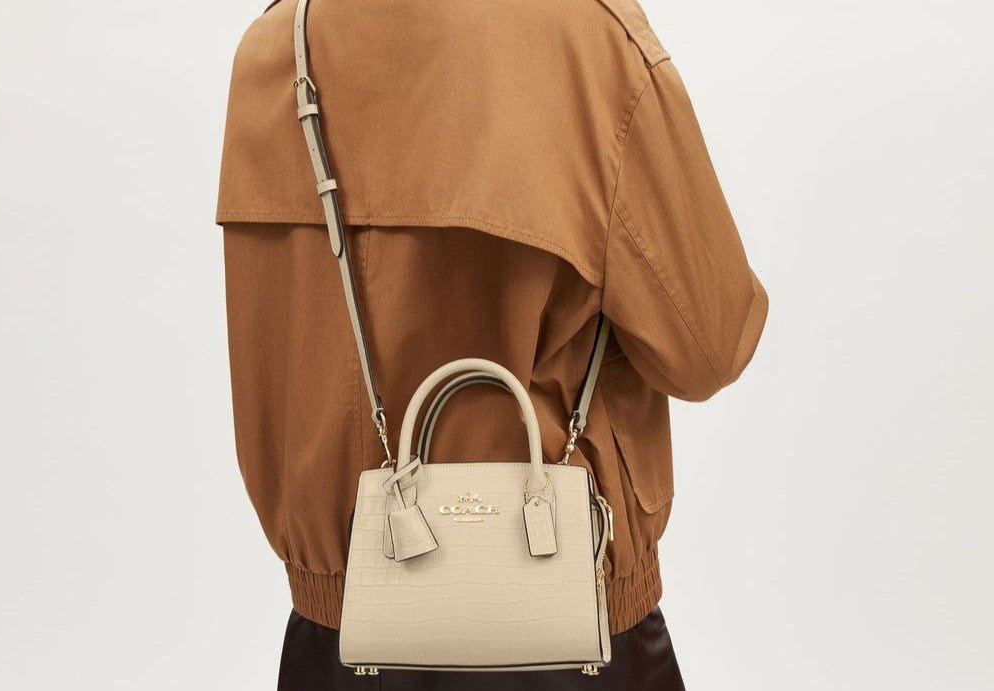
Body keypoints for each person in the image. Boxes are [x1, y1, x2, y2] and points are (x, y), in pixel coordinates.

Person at [216, 0, 768, 687]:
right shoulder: (590, 43)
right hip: (568, 617)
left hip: (341, 637)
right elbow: (711, 349)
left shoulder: (281, 46)